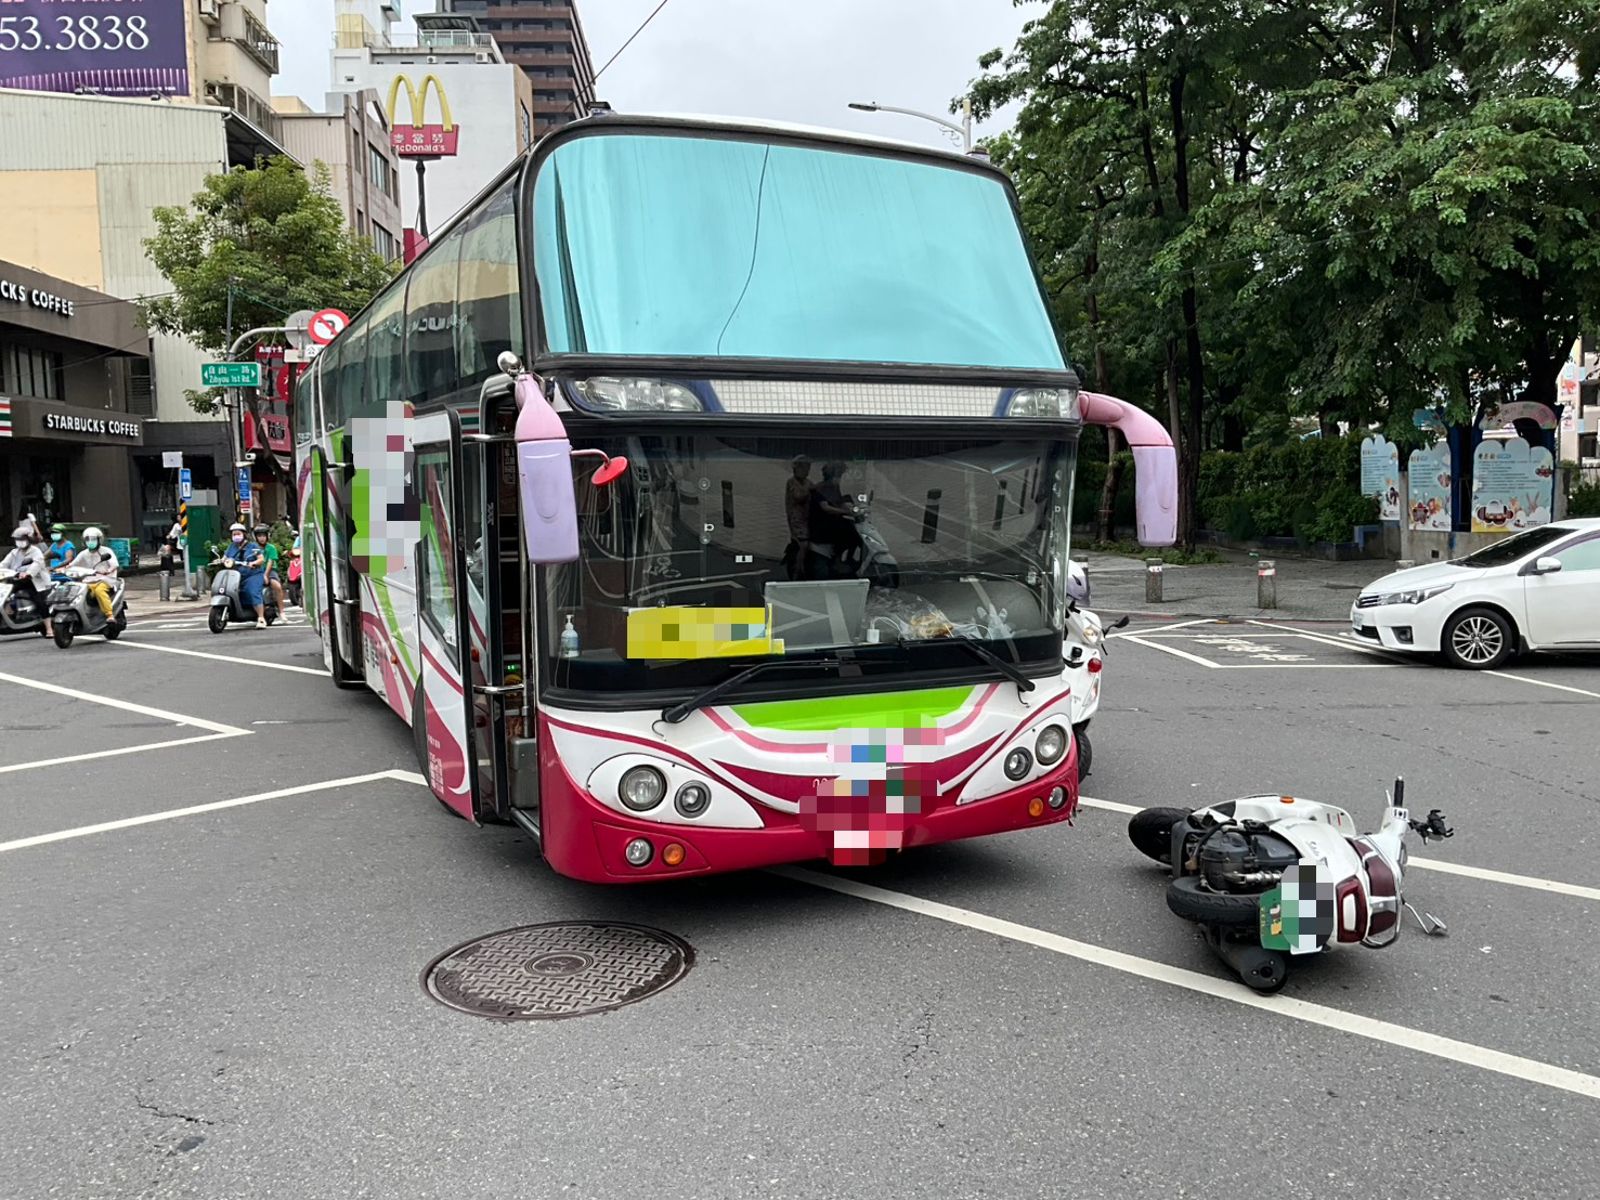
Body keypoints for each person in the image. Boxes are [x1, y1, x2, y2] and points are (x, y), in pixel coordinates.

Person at [2, 523, 54, 635]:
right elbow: (4, 564)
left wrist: (28, 573)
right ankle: (8, 610)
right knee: (5, 592)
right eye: (17, 539)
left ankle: (49, 628)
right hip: (18, 580)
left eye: (22, 539)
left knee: (40, 601)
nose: (19, 541)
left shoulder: (36, 551)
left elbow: (37, 564)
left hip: (35, 581)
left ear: (28, 539)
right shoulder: (14, 552)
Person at [67, 526, 119, 622]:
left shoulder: (106, 551)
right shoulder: (84, 553)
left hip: (105, 579)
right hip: (89, 580)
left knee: (99, 591)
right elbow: (73, 564)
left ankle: (110, 615)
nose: (90, 542)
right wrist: (64, 568)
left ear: (99, 540)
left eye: (93, 539)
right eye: (88, 539)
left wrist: (108, 570)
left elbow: (114, 565)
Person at [224, 522, 268, 628]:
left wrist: (254, 563)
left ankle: (261, 618)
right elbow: (225, 557)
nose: (236, 536)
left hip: (253, 575)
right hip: (236, 576)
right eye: (234, 534)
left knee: (252, 591)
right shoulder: (231, 547)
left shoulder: (253, 546)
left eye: (238, 534)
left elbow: (261, 559)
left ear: (244, 534)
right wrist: (221, 560)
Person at [782, 455, 813, 581]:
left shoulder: (808, 482)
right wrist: (810, 491)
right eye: (804, 468)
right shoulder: (792, 482)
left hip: (808, 517)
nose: (806, 471)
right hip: (797, 519)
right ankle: (798, 570)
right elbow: (798, 496)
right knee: (803, 544)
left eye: (808, 468)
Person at [254, 523, 286, 615]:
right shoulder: (253, 548)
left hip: (270, 571)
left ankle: (281, 611)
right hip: (256, 571)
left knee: (277, 586)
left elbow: (270, 562)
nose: (262, 538)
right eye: (259, 536)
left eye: (264, 535)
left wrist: (266, 575)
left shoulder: (271, 548)